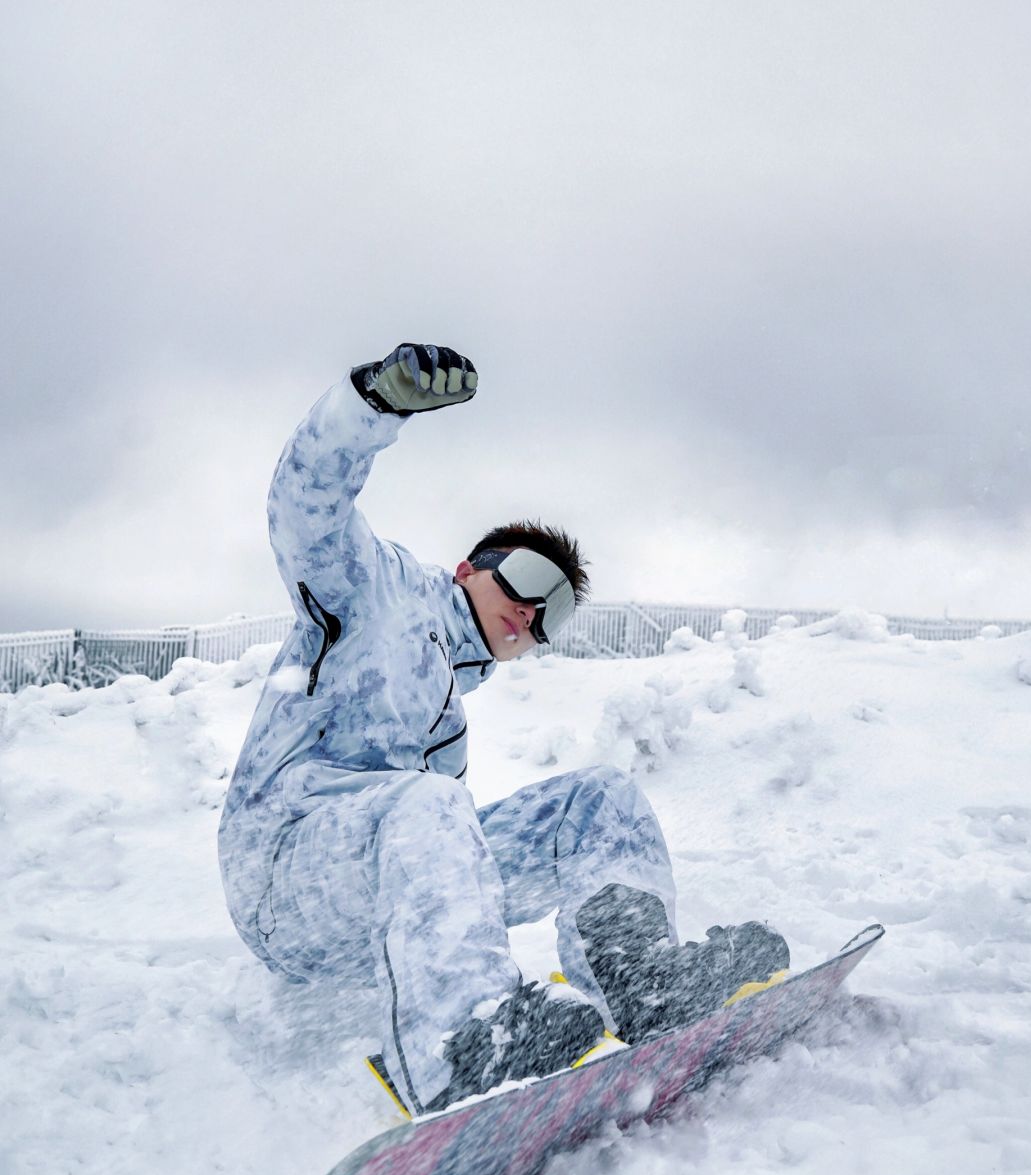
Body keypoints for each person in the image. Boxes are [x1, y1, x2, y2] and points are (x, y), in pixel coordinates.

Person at [218, 342, 788, 1115]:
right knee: (428, 803)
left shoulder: (447, 718)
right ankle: (467, 1045)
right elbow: (305, 505)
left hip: (370, 904)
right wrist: (371, 404)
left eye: (552, 611)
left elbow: (441, 870)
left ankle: (642, 978)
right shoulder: (373, 588)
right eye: (523, 579)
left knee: (596, 799)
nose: (531, 609)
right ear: (467, 568)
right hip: (284, 877)